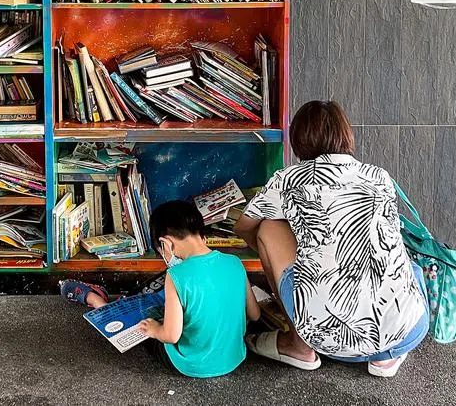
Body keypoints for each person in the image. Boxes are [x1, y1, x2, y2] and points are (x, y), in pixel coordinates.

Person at [234, 100, 429, 378]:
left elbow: (244, 227)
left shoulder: (288, 180)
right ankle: (385, 358)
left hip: (327, 337)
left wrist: (291, 253)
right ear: (346, 134)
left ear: (298, 139)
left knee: (267, 229)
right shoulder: (379, 177)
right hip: (408, 330)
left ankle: (298, 346)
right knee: (404, 263)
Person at [60, 200, 260, 377]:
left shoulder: (176, 275)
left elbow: (171, 336)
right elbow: (254, 314)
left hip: (190, 364)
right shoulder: (235, 262)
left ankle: (98, 302)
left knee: (145, 325)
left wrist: (155, 329)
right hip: (233, 358)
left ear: (166, 243)